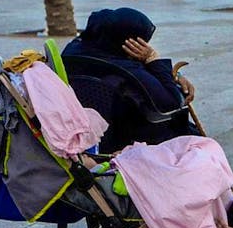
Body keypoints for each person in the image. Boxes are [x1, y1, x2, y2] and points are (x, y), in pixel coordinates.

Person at [62, 8, 197, 152]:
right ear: (129, 43)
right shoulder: (127, 70)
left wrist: (176, 75)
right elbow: (172, 103)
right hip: (127, 142)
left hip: (80, 135)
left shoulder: (75, 51)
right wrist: (153, 59)